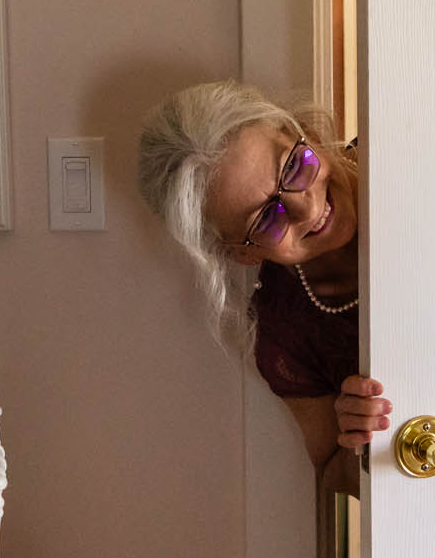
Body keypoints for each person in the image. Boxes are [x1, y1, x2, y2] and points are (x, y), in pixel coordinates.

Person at [137, 81, 389, 489]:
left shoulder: (406, 160)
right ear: (244, 252)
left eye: (294, 166)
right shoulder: (286, 332)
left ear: (306, 131)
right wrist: (356, 441)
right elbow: (331, 477)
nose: (306, 208)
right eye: (266, 220)